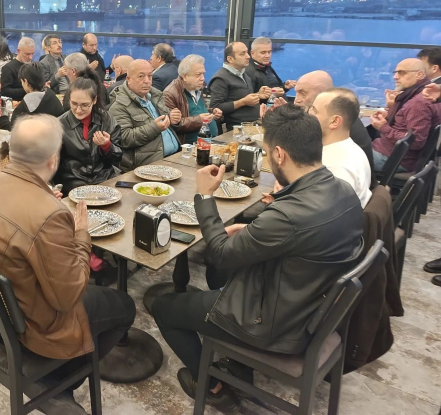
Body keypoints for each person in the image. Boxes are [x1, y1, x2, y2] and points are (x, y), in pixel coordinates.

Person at [153, 104, 364, 413]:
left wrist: (205, 196)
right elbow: (302, 235)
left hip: (276, 324)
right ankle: (235, 364)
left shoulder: (288, 215)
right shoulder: (343, 190)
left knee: (164, 307)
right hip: (308, 302)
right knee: (218, 275)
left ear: (279, 154)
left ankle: (212, 387)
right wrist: (255, 230)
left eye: (265, 151)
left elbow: (221, 254)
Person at [0, 114, 136, 412]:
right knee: (124, 305)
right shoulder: (50, 212)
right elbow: (67, 297)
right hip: (27, 324)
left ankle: (57, 378)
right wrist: (81, 235)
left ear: (10, 151)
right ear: (53, 160)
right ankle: (59, 380)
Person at [281, 70, 375, 175]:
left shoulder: (339, 165)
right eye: (296, 93)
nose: (296, 100)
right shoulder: (342, 117)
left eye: (303, 93)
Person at [109, 59, 182, 171]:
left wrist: (172, 120)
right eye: (141, 76)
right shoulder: (119, 105)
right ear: (128, 79)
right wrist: (155, 127)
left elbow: (165, 124)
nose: (147, 81)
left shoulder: (155, 96)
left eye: (150, 76)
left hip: (174, 158)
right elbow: (124, 139)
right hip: (147, 167)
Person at [57, 76, 122, 195]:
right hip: (73, 183)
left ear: (94, 100)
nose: (78, 110)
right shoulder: (59, 124)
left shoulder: (107, 119)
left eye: (85, 105)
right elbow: (52, 163)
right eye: (74, 104)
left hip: (105, 179)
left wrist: (107, 146)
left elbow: (118, 157)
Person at [309, 89, 372, 208]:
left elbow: (324, 214)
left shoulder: (335, 169)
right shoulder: (352, 149)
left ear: (335, 121)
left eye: (315, 111)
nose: (308, 114)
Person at [371, 58, 432, 173]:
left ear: (419, 75)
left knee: (339, 157)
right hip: (388, 152)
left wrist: (383, 127)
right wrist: (391, 112)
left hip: (393, 159)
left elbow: (416, 141)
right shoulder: (420, 94)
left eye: (402, 73)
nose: (395, 77)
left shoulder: (418, 103)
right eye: (395, 73)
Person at [209, 41, 269, 129]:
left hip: (255, 124)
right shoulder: (220, 79)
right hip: (239, 128)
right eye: (242, 54)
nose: (248, 56)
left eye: (247, 52)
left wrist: (258, 95)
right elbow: (215, 107)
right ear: (230, 59)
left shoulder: (243, 73)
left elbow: (242, 96)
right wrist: (243, 102)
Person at [164, 54, 222, 144]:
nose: (202, 78)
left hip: (211, 142)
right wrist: (199, 120)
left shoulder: (196, 87)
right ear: (185, 76)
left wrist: (212, 112)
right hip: (190, 147)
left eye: (203, 74)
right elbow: (173, 124)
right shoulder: (170, 93)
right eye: (198, 75)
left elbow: (195, 110)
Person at [0, 61, 65, 130]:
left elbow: (14, 131)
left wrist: (2, 119)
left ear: (26, 82)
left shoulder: (23, 109)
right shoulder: (54, 99)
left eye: (22, 82)